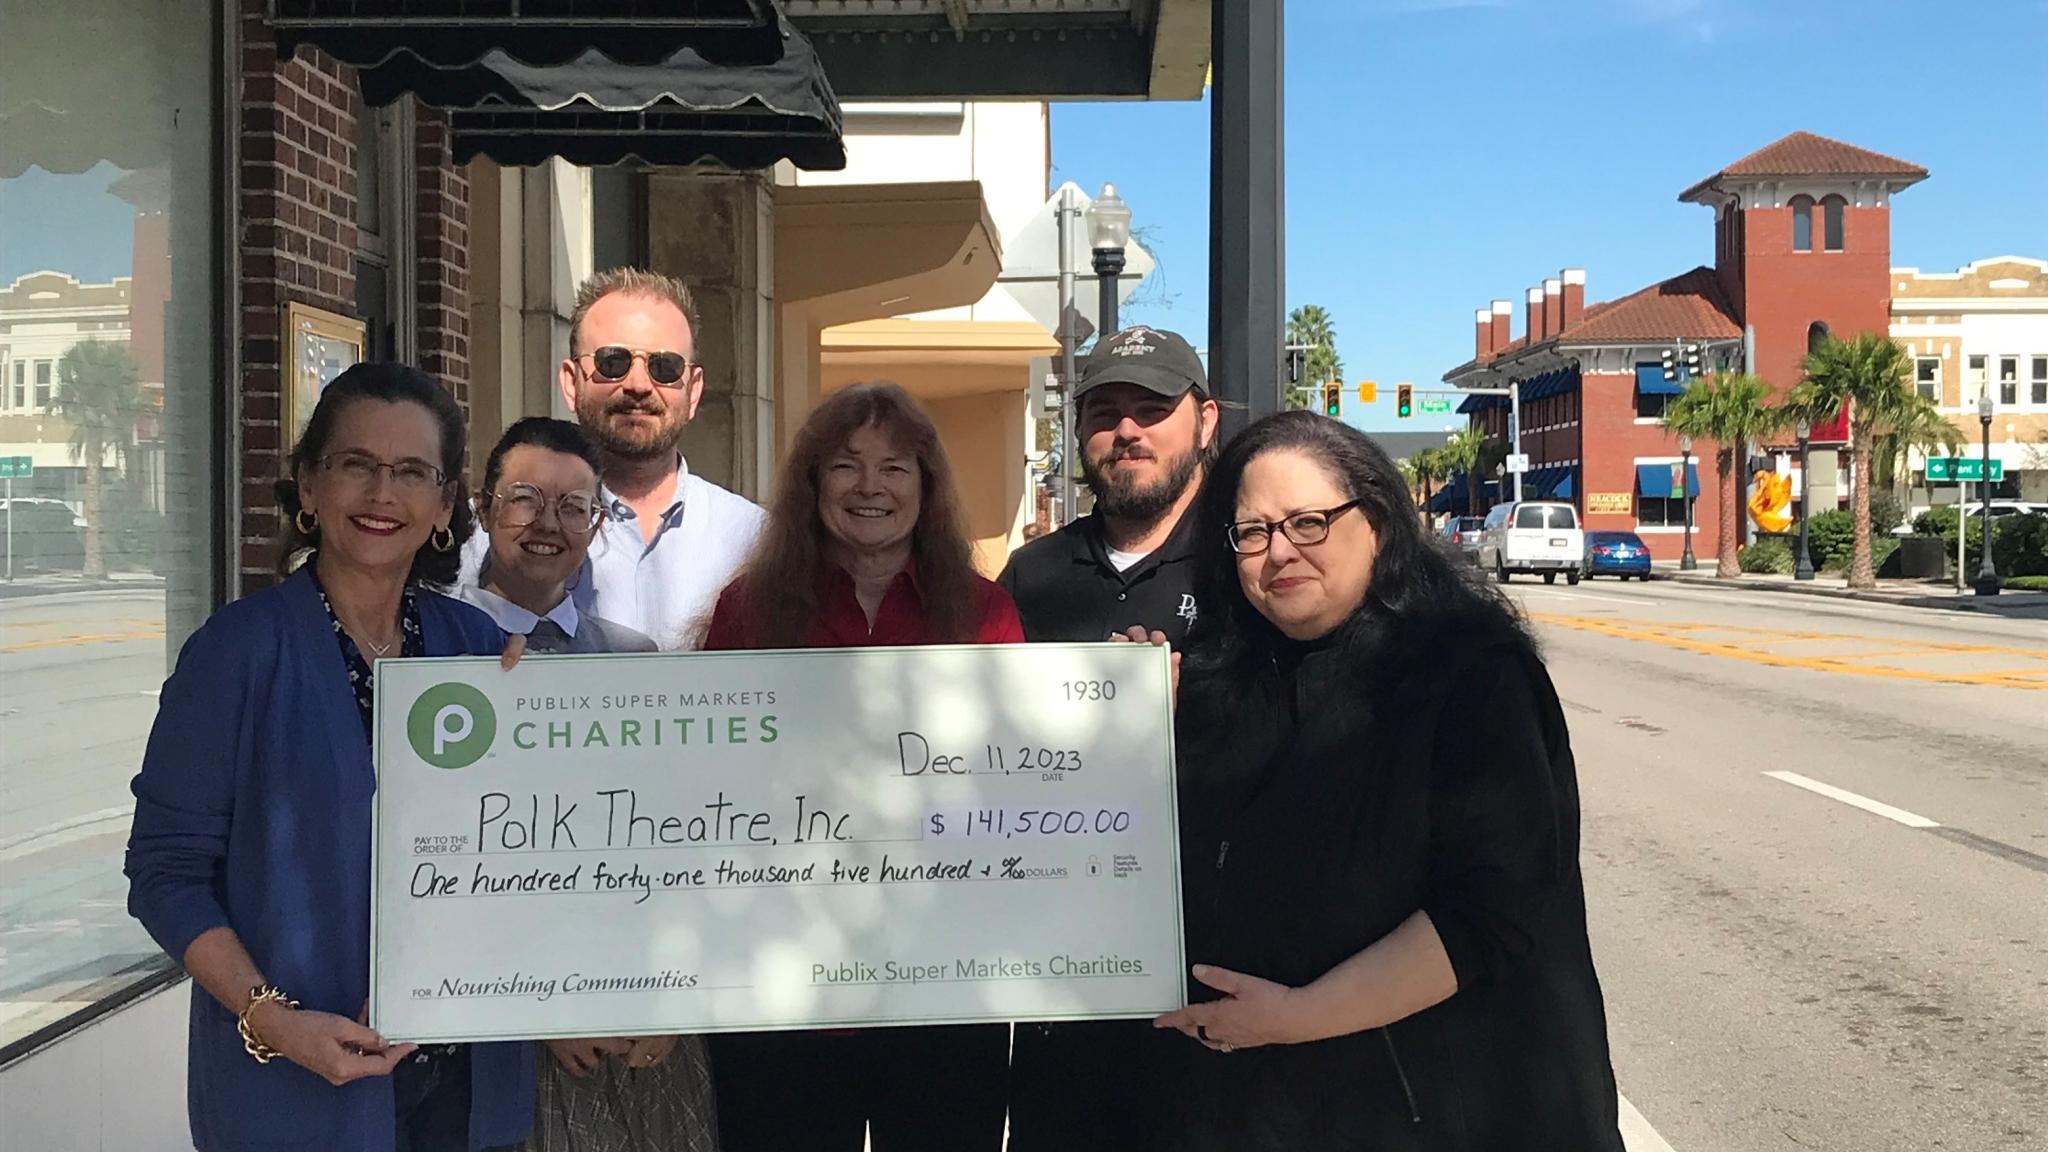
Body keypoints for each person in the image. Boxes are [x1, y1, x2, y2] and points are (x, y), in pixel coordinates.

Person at [1138, 410, 1623, 1150]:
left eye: (1308, 521)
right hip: (1266, 1108)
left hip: (1441, 1108)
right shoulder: (1221, 679)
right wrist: (1129, 726)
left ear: (1381, 522)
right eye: (1254, 532)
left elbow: (1493, 909)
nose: (1279, 552)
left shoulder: (1470, 673)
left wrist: (1298, 1015)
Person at [125, 364, 533, 1152]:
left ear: (444, 505)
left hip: (470, 1090)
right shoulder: (235, 654)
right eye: (356, 465)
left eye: (412, 472)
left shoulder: (479, 652)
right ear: (310, 488)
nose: (384, 494)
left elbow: (540, 841)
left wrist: (540, 710)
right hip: (298, 1092)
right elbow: (167, 875)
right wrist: (273, 1022)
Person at [701, 381, 1021, 1152]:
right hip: (782, 989)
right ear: (812, 487)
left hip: (945, 990)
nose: (870, 487)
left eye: (896, 468)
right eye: (845, 466)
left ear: (928, 487)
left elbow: (1018, 781)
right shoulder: (748, 610)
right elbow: (709, 783)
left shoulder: (985, 613)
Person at [459, 417, 718, 1152]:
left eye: (575, 506)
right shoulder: (441, 659)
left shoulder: (635, 661)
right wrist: (538, 1008)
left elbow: (680, 844)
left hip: (648, 1024)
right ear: (483, 508)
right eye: (525, 499)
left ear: (599, 523)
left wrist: (675, 995)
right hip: (508, 1035)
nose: (550, 524)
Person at [997, 324, 1218, 1151]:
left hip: (1214, 973)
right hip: (1069, 980)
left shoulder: (1250, 563)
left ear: (1205, 423)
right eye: (1105, 411)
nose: (1127, 431)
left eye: (1153, 409)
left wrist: (1194, 704)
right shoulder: (1034, 577)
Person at [465, 267, 764, 648]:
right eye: (612, 362)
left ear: (694, 390)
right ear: (572, 382)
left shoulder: (753, 541)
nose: (638, 384)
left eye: (665, 367)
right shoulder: (488, 541)